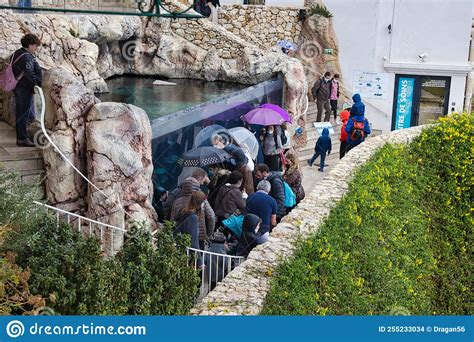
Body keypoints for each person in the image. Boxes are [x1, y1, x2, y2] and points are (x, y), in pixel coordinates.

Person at [12, 34, 42, 147]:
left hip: (18, 86)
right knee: (23, 113)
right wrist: (36, 86)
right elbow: (30, 74)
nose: (36, 48)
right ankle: (22, 139)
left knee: (21, 112)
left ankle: (22, 136)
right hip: (24, 88)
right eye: (35, 46)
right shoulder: (26, 57)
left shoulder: (17, 53)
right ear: (29, 45)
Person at [170, 177, 216, 249]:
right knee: (196, 257)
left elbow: (172, 222)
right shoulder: (201, 200)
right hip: (199, 238)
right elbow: (211, 216)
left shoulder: (176, 202)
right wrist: (208, 234)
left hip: (181, 237)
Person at [174, 191, 208, 267]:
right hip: (183, 253)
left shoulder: (183, 210)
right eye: (204, 203)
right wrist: (200, 262)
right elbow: (194, 243)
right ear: (200, 203)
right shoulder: (193, 218)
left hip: (175, 248)